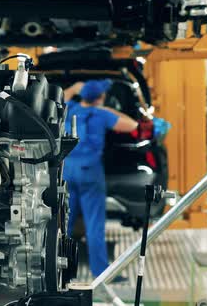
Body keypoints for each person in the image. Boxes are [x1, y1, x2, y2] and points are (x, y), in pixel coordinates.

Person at [63, 79, 138, 279]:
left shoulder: (69, 109)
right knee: (94, 224)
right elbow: (132, 125)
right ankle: (100, 272)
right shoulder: (102, 114)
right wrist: (107, 109)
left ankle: (58, 269)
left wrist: (73, 88)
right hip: (90, 173)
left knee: (63, 223)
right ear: (101, 97)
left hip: (67, 171)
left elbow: (55, 99)